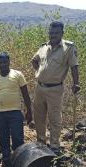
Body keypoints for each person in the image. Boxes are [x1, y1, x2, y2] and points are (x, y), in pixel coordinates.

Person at [31, 21, 80, 154]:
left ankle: (54, 146)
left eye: (56, 33)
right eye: (51, 33)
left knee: (54, 118)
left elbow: (74, 66)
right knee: (39, 117)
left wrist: (76, 83)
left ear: (62, 33)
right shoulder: (43, 47)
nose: (53, 35)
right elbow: (34, 60)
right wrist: (38, 72)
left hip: (55, 89)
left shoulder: (68, 48)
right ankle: (41, 143)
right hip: (39, 88)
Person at [0, 52, 33, 167]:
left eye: (5, 62)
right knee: (3, 138)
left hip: (15, 113)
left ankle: (20, 162)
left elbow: (25, 94)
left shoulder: (18, 75)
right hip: (0, 114)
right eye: (0, 62)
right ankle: (6, 161)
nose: (2, 64)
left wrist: (29, 111)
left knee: (18, 138)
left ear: (9, 62)